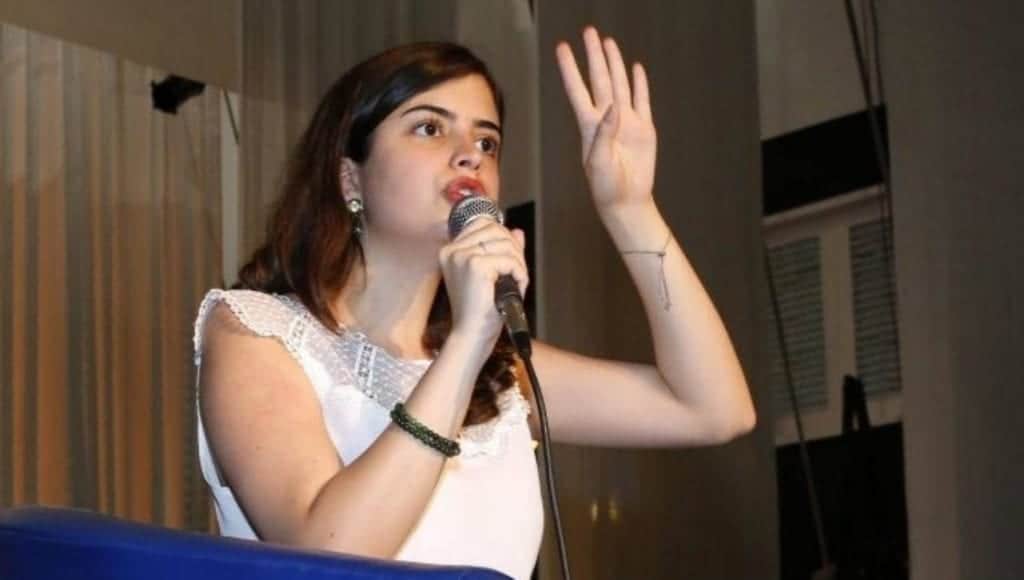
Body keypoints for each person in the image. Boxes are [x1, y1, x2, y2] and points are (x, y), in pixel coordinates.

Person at [193, 26, 755, 580]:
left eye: (487, 142)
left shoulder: (502, 375)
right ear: (349, 177)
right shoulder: (255, 332)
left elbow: (713, 409)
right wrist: (465, 345)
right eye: (430, 128)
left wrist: (630, 208)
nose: (470, 156)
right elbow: (327, 552)